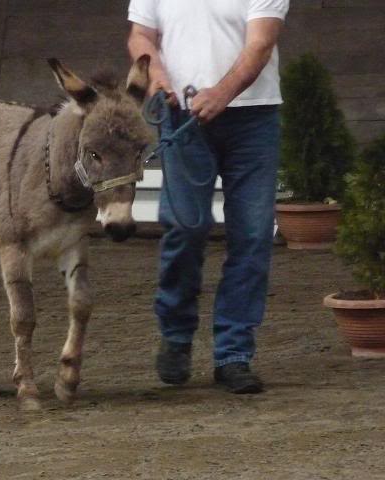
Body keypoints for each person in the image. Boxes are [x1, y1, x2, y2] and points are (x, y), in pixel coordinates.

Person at [127, 0, 290, 393]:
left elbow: (260, 43)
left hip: (253, 117)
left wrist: (221, 93)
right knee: (185, 225)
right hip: (181, 112)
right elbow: (141, 35)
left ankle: (234, 354)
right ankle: (177, 335)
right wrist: (157, 75)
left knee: (252, 235)